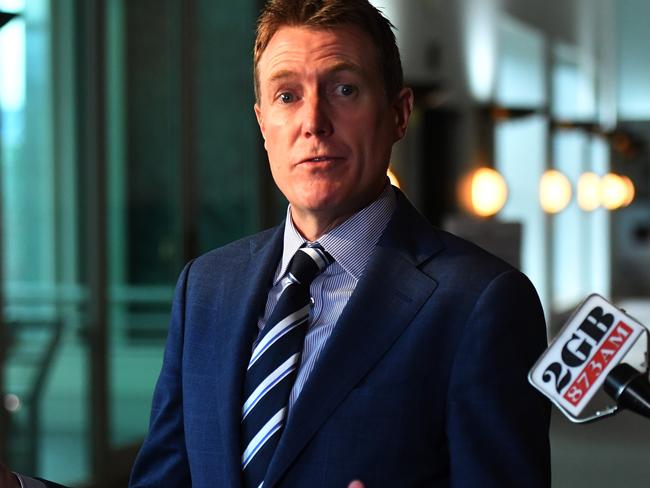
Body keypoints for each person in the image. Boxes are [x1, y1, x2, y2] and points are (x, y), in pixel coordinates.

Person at [4, 0, 550, 486]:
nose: (313, 122)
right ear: (263, 123)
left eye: (344, 89)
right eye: (287, 95)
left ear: (398, 114)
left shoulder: (483, 302)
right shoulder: (206, 287)